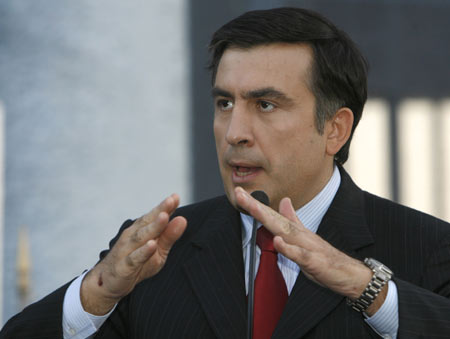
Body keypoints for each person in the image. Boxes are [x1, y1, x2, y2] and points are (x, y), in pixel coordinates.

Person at [2, 7, 450, 339]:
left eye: (266, 105)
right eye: (224, 104)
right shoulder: (161, 252)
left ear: (335, 130)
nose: (234, 132)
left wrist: (367, 288)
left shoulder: (427, 248)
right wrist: (95, 297)